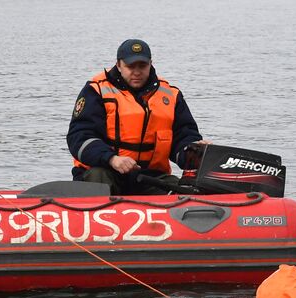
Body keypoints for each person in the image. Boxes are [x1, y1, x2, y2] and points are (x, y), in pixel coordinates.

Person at [67, 38, 203, 195]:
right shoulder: (96, 90)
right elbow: (79, 137)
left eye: (142, 66)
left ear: (151, 63)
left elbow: (184, 136)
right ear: (119, 65)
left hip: (149, 177)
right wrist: (112, 159)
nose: (137, 72)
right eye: (130, 66)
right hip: (104, 171)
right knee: (99, 177)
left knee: (184, 191)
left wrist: (195, 151)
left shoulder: (171, 95)